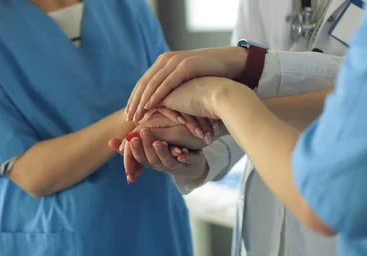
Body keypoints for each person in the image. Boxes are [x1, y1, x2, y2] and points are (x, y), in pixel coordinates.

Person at [0, 0, 203, 255]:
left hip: (154, 230)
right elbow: (34, 175)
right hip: (53, 241)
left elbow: (178, 114)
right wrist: (136, 115)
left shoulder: (129, 7)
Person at [119, 0, 353, 255]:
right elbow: (247, 91)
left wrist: (230, 87)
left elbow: (319, 203)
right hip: (265, 223)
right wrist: (200, 155)